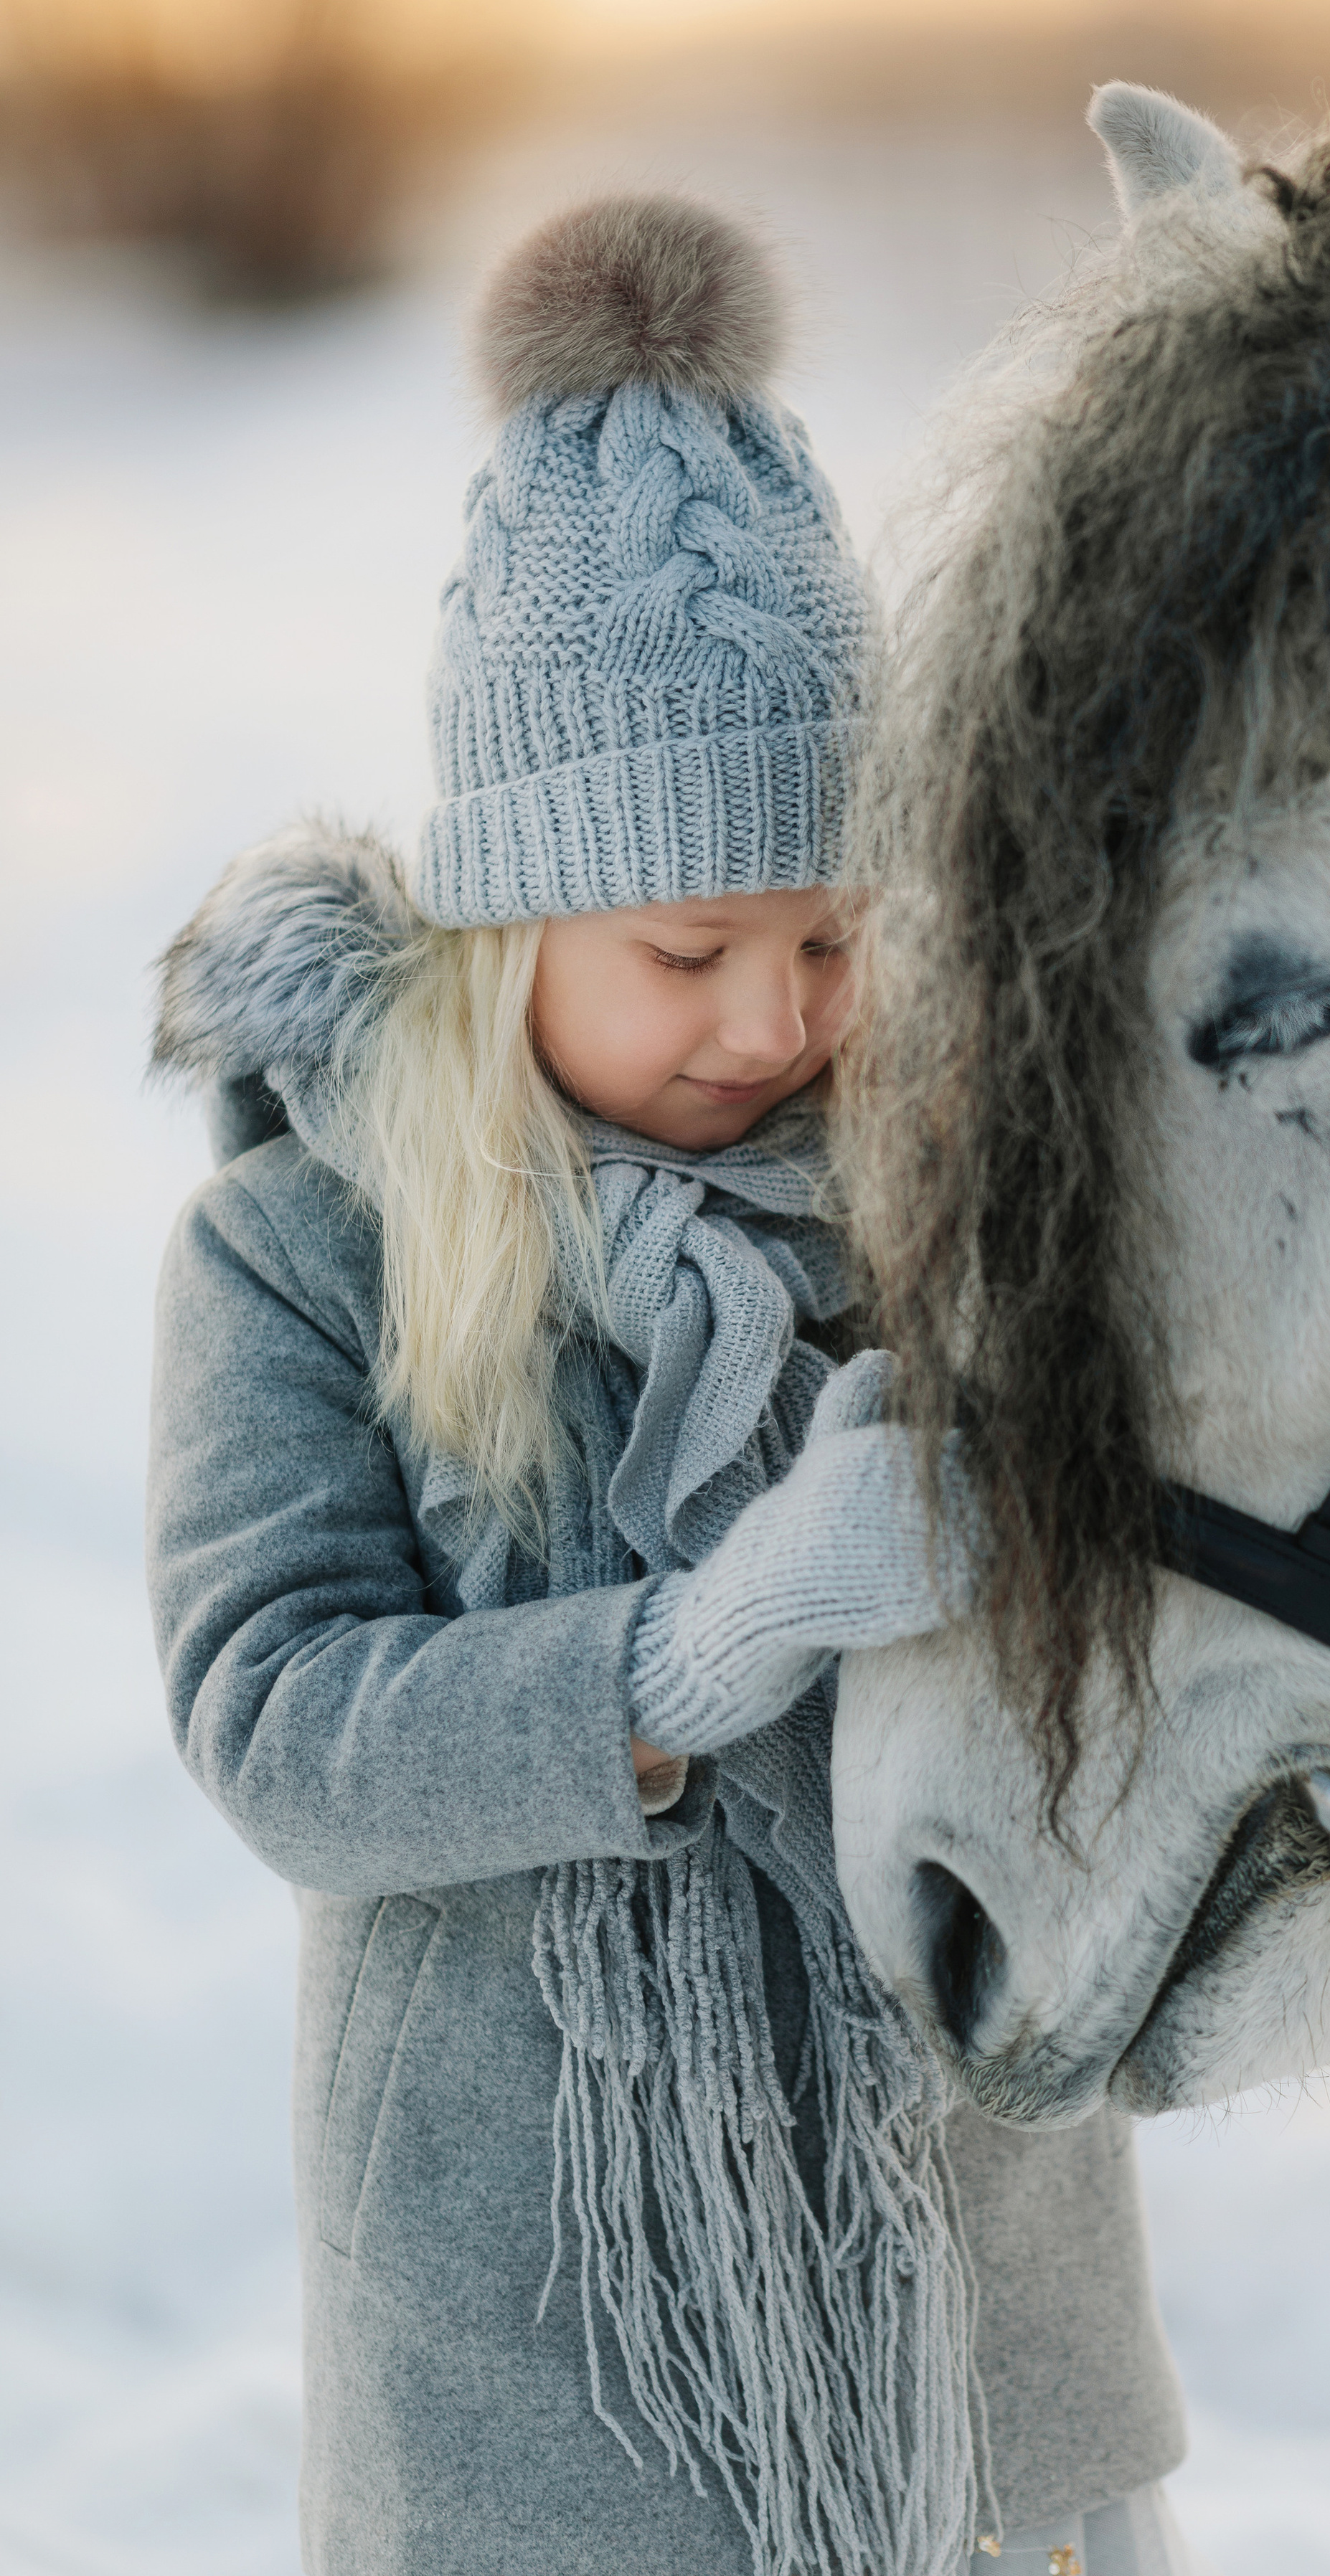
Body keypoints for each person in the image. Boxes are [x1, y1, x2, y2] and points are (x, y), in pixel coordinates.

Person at [145, 192, 1197, 2576]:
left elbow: (1188, 1604)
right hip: (551, 2325)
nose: (775, 1018)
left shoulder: (965, 1193)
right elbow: (283, 1726)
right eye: (689, 946)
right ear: (515, 914)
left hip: (977, 2293)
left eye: (833, 933)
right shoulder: (307, 1248)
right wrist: (696, 1652)